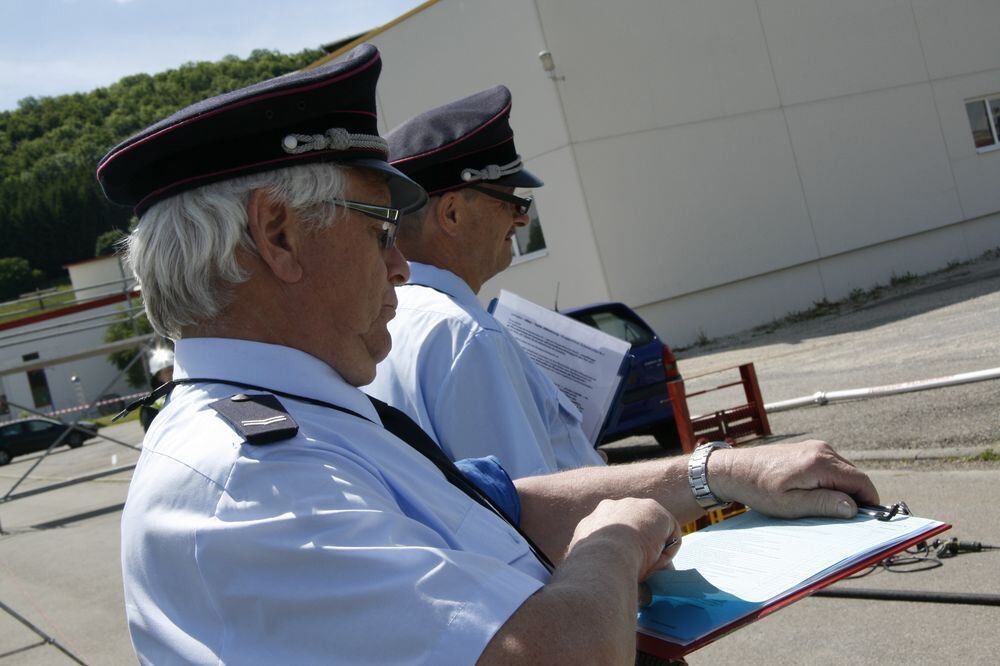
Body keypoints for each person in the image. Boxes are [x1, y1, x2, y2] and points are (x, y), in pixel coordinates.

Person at [102, 44, 880, 665]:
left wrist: (714, 474)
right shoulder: (251, 481)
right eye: (378, 230)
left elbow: (496, 503)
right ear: (277, 236)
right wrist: (614, 540)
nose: (401, 266)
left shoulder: (302, 420)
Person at [366, 86, 606, 478]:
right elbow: (531, 510)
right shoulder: (465, 333)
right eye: (509, 199)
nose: (521, 218)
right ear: (453, 214)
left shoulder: (382, 321)